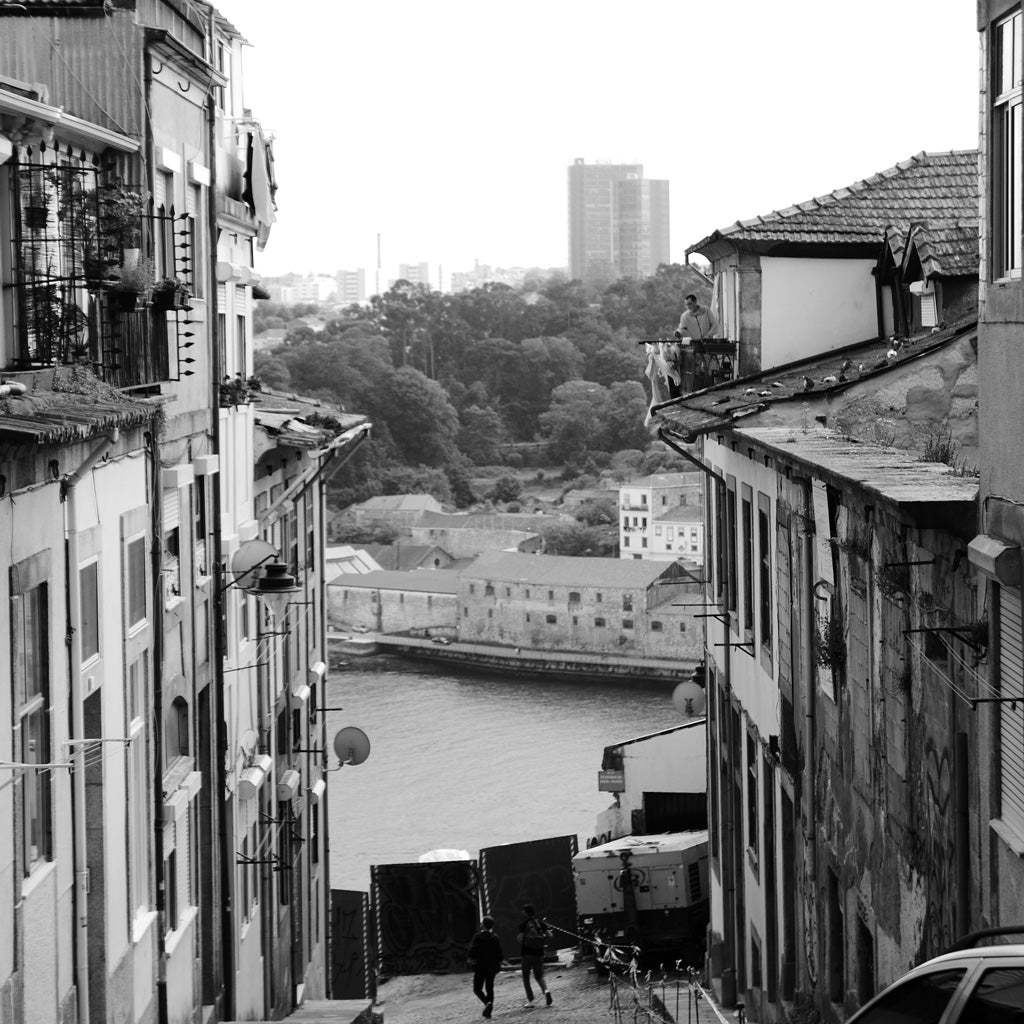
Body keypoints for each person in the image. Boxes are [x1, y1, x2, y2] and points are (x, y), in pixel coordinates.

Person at [467, 916, 504, 1018]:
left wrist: (471, 959)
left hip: (480, 967)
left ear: (483, 925)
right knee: (489, 988)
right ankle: (489, 1011)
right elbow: (500, 954)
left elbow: (472, 952)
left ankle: (487, 1003)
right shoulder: (495, 938)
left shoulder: (478, 937)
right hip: (492, 967)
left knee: (477, 989)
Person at [517, 903, 553, 1008]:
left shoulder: (523, 925)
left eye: (523, 910)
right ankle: (546, 991)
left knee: (526, 977)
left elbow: (519, 938)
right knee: (539, 976)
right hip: (539, 953)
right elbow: (550, 935)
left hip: (527, 954)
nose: (522, 912)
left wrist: (523, 937)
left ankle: (531, 1001)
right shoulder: (541, 923)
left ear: (526, 913)